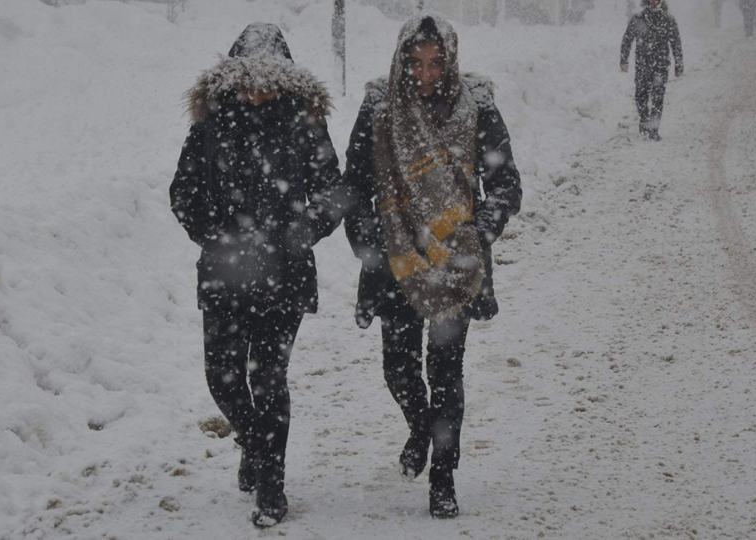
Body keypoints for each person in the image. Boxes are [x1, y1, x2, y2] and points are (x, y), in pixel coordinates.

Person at [343, 15, 522, 518]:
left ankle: (442, 478)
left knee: (445, 372)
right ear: (401, 61)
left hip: (454, 263)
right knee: (398, 369)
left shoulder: (476, 105)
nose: (426, 73)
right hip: (396, 259)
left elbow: (505, 184)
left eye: (436, 62)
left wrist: (474, 236)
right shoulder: (379, 108)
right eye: (415, 63)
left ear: (451, 61)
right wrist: (370, 246)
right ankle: (421, 428)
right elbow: (354, 186)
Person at [170, 23, 345, 528]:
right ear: (232, 77)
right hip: (224, 274)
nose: (257, 92)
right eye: (248, 81)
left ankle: (272, 484)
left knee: (268, 378)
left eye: (268, 83)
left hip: (285, 276)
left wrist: (297, 235)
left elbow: (333, 195)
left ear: (286, 81)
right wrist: (216, 237)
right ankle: (252, 440)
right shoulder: (211, 122)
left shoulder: (304, 123)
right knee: (221, 378)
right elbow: (183, 192)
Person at [620, 0, 683, 141]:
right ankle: (644, 121)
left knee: (658, 97)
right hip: (642, 64)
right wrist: (624, 59)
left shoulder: (668, 19)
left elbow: (676, 43)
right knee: (641, 95)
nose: (654, 2)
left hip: (660, 65)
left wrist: (678, 64)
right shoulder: (638, 19)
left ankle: (654, 129)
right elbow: (627, 39)